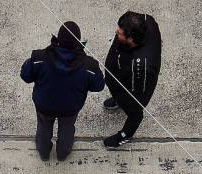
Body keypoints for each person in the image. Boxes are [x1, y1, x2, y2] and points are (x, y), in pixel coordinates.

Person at [20, 22, 105, 162]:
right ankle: (62, 153)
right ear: (78, 41)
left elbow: (25, 76)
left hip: (44, 105)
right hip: (70, 108)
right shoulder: (89, 66)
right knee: (66, 128)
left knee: (43, 127)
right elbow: (99, 85)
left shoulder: (39, 58)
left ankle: (43, 151)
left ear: (57, 39)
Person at [102, 11, 162, 150]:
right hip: (121, 74)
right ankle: (117, 99)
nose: (116, 31)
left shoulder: (142, 66)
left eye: (120, 33)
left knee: (134, 111)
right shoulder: (146, 21)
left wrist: (126, 99)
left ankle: (125, 135)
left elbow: (139, 95)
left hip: (133, 87)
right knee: (119, 92)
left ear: (131, 39)